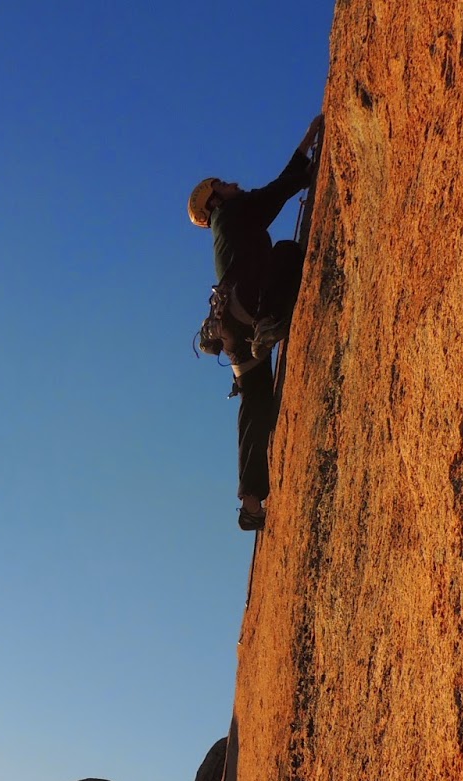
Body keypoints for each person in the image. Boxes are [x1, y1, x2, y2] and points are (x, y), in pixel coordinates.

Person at [190, 115, 323, 530]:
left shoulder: (224, 227)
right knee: (286, 252)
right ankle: (272, 321)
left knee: (256, 402)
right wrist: (307, 143)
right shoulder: (233, 213)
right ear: (215, 199)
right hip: (251, 307)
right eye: (223, 184)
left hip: (229, 325)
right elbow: (279, 191)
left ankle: (251, 503)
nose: (232, 184)